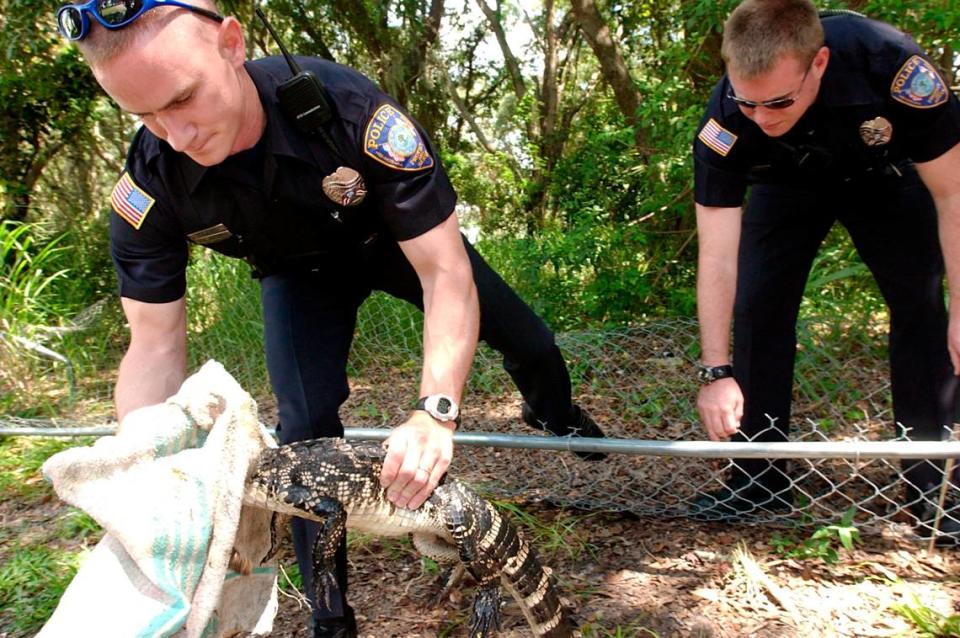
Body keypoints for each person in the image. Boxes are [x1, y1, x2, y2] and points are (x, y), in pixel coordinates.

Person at [55, 1, 607, 635]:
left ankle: (557, 417)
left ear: (232, 45)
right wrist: (143, 471)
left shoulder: (350, 113)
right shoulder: (151, 182)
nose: (174, 135)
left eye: (181, 100)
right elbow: (153, 345)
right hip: (299, 278)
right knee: (304, 427)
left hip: (396, 246)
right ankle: (330, 618)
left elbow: (445, 273)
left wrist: (434, 413)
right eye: (144, 115)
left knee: (533, 343)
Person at [690, 0, 960, 545]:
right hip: (784, 183)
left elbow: (954, 194)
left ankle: (934, 490)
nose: (761, 117)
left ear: (818, 63)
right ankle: (757, 480)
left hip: (883, 173)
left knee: (921, 309)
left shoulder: (893, 66)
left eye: (778, 102)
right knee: (759, 307)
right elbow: (718, 256)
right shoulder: (724, 122)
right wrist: (716, 374)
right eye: (749, 102)